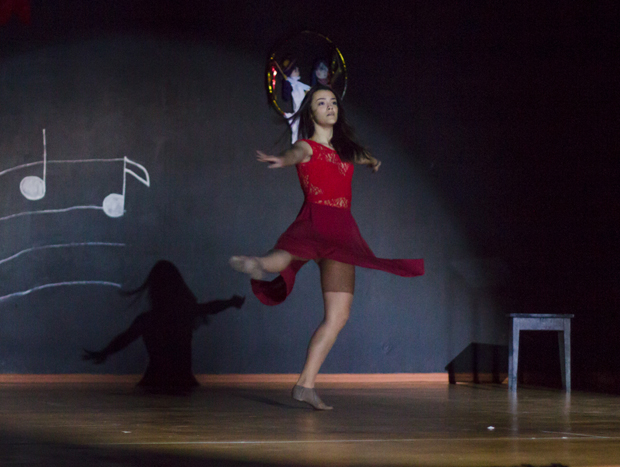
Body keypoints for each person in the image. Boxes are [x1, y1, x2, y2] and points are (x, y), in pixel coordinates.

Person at [230, 85, 424, 410]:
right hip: (323, 220)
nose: (330, 107)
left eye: (333, 102)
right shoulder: (306, 146)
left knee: (336, 314)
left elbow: (357, 156)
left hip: (338, 231)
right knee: (291, 257)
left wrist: (372, 160)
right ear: (311, 113)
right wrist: (283, 159)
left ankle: (305, 385)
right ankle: (259, 265)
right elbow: (295, 154)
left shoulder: (344, 151)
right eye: (321, 103)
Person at [83, 260, 245, 393]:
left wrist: (104, 352)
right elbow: (210, 307)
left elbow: (125, 338)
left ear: (154, 289)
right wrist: (231, 302)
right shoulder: (185, 312)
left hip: (155, 382)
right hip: (182, 383)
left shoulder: (148, 319)